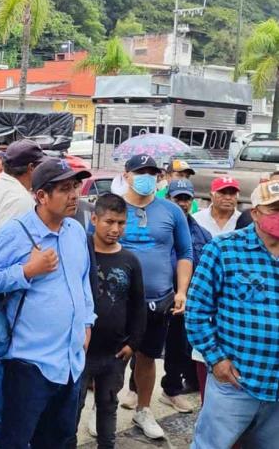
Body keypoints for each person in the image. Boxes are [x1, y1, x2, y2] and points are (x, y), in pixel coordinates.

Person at [0, 159, 94, 448]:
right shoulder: (17, 232)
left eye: (75, 186)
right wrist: (28, 270)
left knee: (58, 440)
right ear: (41, 196)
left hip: (69, 361)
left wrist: (86, 321)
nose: (74, 195)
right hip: (28, 363)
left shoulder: (75, 231)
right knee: (17, 440)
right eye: (64, 189)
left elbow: (83, 281)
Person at [186, 180, 279, 449]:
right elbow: (196, 311)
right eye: (274, 209)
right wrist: (216, 360)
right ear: (256, 212)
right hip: (236, 382)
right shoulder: (224, 249)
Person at [118, 155, 193, 440]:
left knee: (148, 357)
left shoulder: (171, 211)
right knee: (111, 358)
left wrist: (181, 290)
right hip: (117, 300)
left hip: (158, 299)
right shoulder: (112, 206)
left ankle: (144, 409)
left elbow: (185, 253)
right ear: (126, 175)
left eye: (152, 172)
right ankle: (105, 408)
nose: (147, 176)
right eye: (140, 171)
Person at [73, 193, 146, 449]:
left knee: (108, 405)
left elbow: (138, 305)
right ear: (94, 219)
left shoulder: (130, 261)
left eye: (121, 223)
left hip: (114, 353)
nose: (115, 229)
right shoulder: (80, 254)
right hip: (81, 351)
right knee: (73, 405)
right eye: (109, 221)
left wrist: (133, 343)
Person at [165, 179, 211, 409]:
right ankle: (134, 389)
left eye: (186, 199)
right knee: (144, 344)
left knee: (178, 345)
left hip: (186, 298)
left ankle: (172, 388)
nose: (182, 203)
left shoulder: (203, 234)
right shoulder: (160, 227)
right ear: (168, 199)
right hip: (158, 293)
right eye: (177, 198)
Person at [0, 140, 43, 250]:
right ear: (31, 168)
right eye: (40, 166)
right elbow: (10, 248)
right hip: (11, 265)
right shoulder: (19, 198)